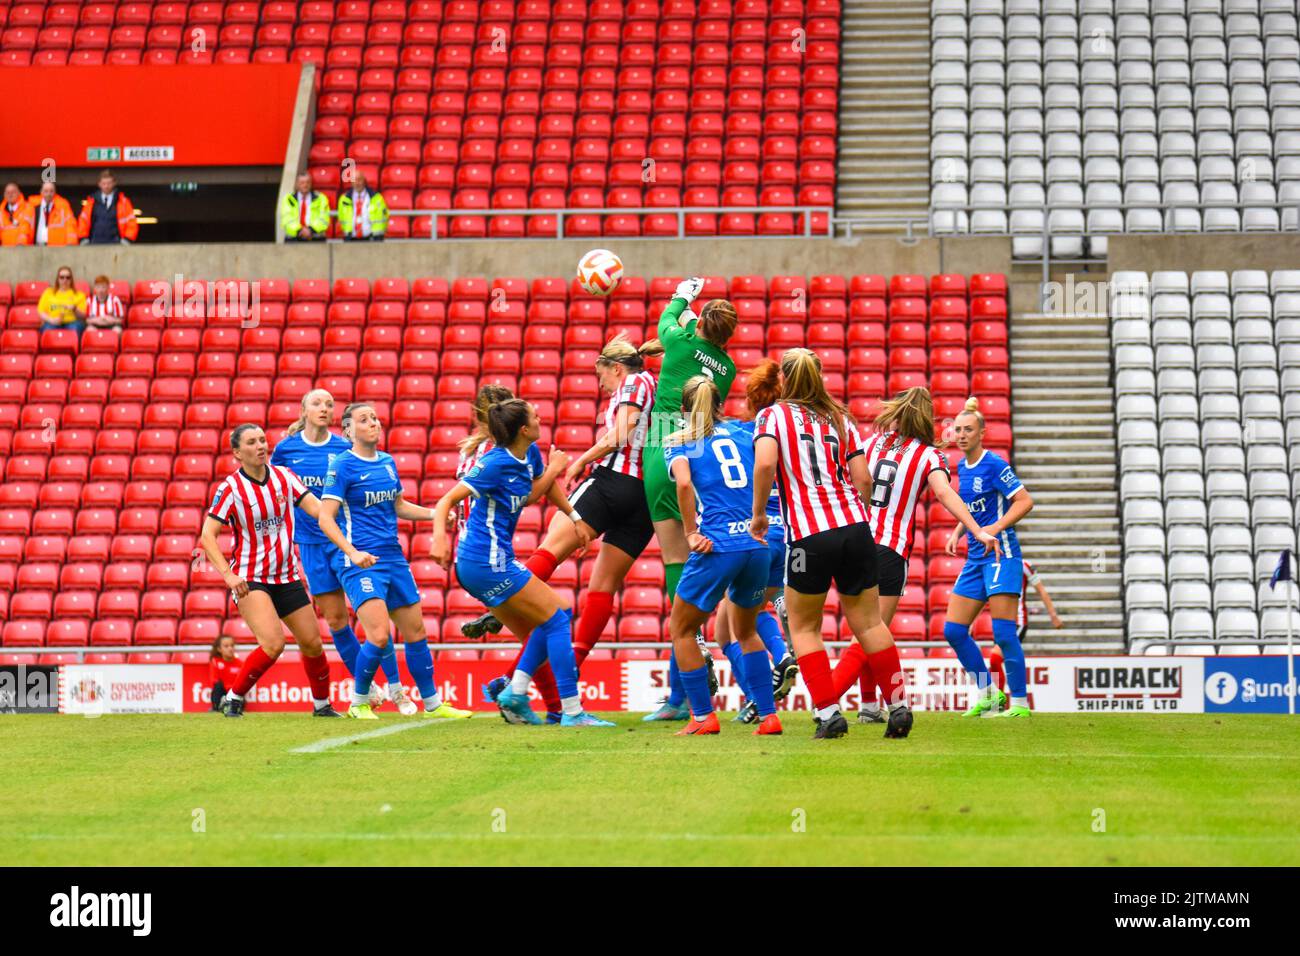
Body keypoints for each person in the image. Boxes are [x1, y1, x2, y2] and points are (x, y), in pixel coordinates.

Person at [466, 336, 662, 716]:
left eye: (601, 376)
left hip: (612, 481)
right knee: (603, 587)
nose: (601, 386)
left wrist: (579, 462)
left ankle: (505, 599)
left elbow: (621, 432)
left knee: (549, 553)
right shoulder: (656, 381)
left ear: (617, 369)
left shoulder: (633, 384)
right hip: (645, 499)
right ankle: (536, 676)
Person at [750, 348, 913, 740]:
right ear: (819, 378)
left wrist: (758, 514)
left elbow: (766, 463)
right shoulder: (841, 418)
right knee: (870, 623)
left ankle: (828, 713)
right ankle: (899, 707)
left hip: (809, 535)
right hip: (856, 528)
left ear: (784, 380)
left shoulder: (772, 416)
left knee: (805, 628)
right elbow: (864, 479)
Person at [429, 398, 612, 727]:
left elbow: (541, 490)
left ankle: (522, 696)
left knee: (543, 627)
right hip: (484, 562)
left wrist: (574, 517)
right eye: (535, 415)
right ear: (524, 429)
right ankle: (570, 711)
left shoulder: (530, 453)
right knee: (559, 616)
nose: (541, 416)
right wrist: (439, 539)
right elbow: (447, 501)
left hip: (492, 561)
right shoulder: (494, 463)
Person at [832, 386, 1000, 723]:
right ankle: (826, 698)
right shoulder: (929, 456)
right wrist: (975, 527)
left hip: (853, 540)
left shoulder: (875, 442)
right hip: (889, 548)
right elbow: (944, 493)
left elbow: (853, 476)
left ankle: (868, 707)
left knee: (864, 629)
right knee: (873, 630)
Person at [316, 403, 473, 720]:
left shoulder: (387, 463)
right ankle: (359, 701)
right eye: (364, 420)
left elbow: (398, 506)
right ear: (348, 430)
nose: (373, 422)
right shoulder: (342, 465)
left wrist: (435, 514)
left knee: (416, 631)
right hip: (362, 560)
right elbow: (324, 518)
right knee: (378, 634)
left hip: (392, 557)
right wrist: (351, 552)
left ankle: (431, 704)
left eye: (374, 417)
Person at [270, 390, 416, 715]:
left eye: (329, 405)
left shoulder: (343, 449)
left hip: (345, 540)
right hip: (311, 545)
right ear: (303, 409)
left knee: (372, 613)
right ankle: (368, 687)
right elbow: (276, 488)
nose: (324, 409)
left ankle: (396, 687)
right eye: (317, 404)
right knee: (336, 619)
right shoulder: (286, 449)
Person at [640, 276, 741, 720]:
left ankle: (687, 678)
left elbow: (668, 318)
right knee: (710, 563)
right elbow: (691, 339)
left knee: (676, 559)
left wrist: (684, 293)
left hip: (667, 443)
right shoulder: (728, 367)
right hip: (708, 452)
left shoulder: (678, 343)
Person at [663, 376, 783, 736]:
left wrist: (690, 533)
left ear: (684, 410)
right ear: (720, 405)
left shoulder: (679, 442)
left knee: (681, 629)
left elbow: (684, 484)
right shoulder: (746, 434)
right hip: (755, 543)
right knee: (746, 631)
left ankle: (702, 717)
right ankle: (769, 715)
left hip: (717, 546)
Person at [199, 423, 341, 718]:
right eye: (252, 442)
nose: (261, 446)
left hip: (287, 575)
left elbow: (317, 510)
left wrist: (342, 517)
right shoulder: (231, 488)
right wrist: (229, 574)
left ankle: (322, 706)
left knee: (313, 644)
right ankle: (234, 697)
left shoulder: (284, 477)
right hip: (251, 578)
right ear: (237, 452)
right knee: (273, 644)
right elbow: (207, 535)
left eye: (263, 440)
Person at [942, 397, 1036, 718]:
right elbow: (970, 506)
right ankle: (988, 693)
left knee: (1004, 634)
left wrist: (993, 528)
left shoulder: (995, 464)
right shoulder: (961, 468)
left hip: (1001, 555)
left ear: (983, 432)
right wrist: (958, 532)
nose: (962, 434)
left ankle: (1021, 704)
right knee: (953, 630)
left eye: (969, 429)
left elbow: (1025, 501)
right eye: (958, 430)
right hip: (975, 558)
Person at [718, 359, 799, 725]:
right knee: (735, 621)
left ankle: (775, 664)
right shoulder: (788, 432)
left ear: (749, 401)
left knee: (739, 626)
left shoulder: (742, 434)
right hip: (787, 532)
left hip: (755, 531)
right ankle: (757, 695)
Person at [988, 557, 1061, 702]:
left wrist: (1053, 615)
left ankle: (998, 701)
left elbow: (1042, 591)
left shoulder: (1024, 565)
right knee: (1001, 661)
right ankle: (1005, 701)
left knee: (995, 658)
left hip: (1017, 621)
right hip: (1001, 621)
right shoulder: (994, 564)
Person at [78, 169, 138, 244]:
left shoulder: (123, 202)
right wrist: (83, 238)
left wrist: (128, 239)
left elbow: (131, 222)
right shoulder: (91, 202)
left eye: (109, 183)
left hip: (117, 243)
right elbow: (83, 221)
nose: (106, 186)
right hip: (95, 243)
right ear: (99, 184)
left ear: (114, 183)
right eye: (104, 183)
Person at [336, 172, 389, 241]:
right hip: (350, 239)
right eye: (354, 180)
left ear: (364, 181)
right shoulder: (344, 199)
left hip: (372, 239)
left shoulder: (376, 198)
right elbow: (341, 218)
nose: (357, 183)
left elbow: (384, 217)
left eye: (359, 180)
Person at [37, 266, 87, 337]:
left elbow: (84, 315)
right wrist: (52, 320)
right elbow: (41, 311)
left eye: (68, 277)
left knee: (76, 328)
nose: (65, 280)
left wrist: (75, 309)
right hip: (52, 322)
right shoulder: (48, 292)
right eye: (62, 277)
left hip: (72, 322)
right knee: (47, 329)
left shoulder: (79, 295)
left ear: (71, 279)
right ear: (58, 279)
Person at [280, 172, 331, 241]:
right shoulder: (288, 199)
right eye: (302, 182)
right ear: (297, 184)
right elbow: (287, 218)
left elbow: (324, 218)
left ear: (311, 183)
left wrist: (310, 230)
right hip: (294, 239)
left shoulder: (321, 198)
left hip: (315, 238)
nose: (305, 185)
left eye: (308, 182)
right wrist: (300, 230)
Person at [28, 181, 79, 246]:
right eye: (46, 191)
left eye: (51, 191)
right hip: (36, 246)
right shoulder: (32, 207)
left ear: (55, 192)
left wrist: (71, 243)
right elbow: (25, 226)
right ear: (41, 192)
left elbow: (70, 225)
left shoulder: (63, 207)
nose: (48, 194)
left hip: (56, 247)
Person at [208, 635, 241, 713]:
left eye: (232, 646)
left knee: (239, 691)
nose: (230, 648)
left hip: (233, 692)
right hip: (222, 692)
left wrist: (231, 691)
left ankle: (234, 708)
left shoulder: (240, 663)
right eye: (226, 646)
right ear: (219, 649)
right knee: (218, 686)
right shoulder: (215, 661)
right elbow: (214, 680)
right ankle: (216, 708)